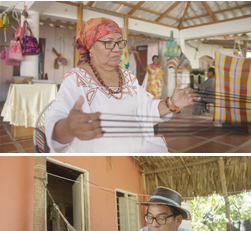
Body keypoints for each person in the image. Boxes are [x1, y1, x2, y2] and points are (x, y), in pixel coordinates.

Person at [45, 17, 200, 152]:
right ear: (90, 47)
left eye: (120, 43)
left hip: (141, 148)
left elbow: (144, 109)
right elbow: (54, 126)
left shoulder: (126, 76)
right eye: (109, 43)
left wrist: (171, 103)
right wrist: (69, 127)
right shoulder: (75, 79)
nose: (118, 49)